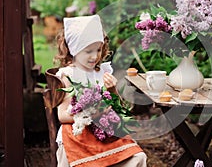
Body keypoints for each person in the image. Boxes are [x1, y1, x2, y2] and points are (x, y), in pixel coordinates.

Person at [54, 15, 147, 167]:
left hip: (105, 131)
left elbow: (118, 109)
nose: (95, 56)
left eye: (98, 49)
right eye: (88, 51)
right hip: (79, 134)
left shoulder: (102, 71)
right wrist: (88, 114)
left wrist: (112, 91)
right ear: (74, 50)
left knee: (137, 157)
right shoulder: (68, 76)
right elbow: (62, 115)